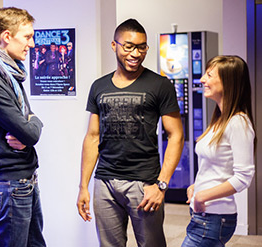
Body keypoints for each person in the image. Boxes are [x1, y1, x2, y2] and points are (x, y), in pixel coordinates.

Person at [76, 19, 184, 247]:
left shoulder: (160, 85)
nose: (136, 53)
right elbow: (92, 137)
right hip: (104, 181)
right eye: (129, 46)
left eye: (141, 47)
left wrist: (161, 185)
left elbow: (176, 135)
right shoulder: (99, 86)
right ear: (114, 46)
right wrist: (83, 186)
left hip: (144, 183)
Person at [0, 7, 45, 247]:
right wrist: (33, 123)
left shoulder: (10, 73)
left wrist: (32, 121)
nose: (32, 44)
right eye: (27, 37)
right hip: (11, 182)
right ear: (6, 36)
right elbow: (31, 132)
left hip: (24, 178)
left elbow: (29, 122)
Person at [181, 55, 255, 247]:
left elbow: (244, 177)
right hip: (205, 215)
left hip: (214, 217)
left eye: (209, 75)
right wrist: (196, 187)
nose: (202, 79)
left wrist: (201, 196)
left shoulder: (238, 123)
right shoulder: (220, 120)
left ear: (228, 82)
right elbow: (215, 168)